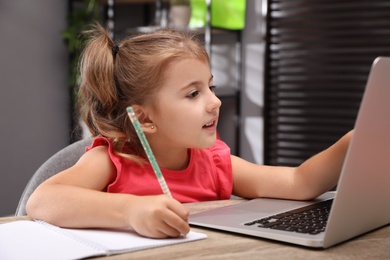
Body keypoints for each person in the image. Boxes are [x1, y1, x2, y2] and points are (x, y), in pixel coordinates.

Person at [26, 24, 352, 239]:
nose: (215, 102)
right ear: (144, 118)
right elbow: (43, 200)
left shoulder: (214, 161)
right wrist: (130, 210)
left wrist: (353, 142)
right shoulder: (113, 161)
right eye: (193, 94)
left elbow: (299, 183)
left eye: (211, 87)